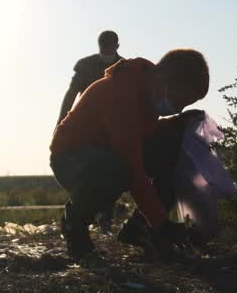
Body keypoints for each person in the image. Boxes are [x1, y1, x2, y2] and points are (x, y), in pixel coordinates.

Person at [49, 49, 210, 258]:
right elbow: (132, 166)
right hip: (72, 159)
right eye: (179, 103)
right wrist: (162, 224)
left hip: (108, 154)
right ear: (163, 80)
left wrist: (181, 124)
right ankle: (75, 226)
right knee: (118, 169)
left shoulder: (147, 93)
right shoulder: (120, 95)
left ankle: (139, 230)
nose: (177, 109)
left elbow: (144, 135)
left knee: (176, 141)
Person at [59, 30, 122, 123]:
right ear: (99, 45)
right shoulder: (85, 65)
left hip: (115, 122)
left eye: (108, 47)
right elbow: (71, 94)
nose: (105, 51)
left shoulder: (125, 67)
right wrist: (61, 121)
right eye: (103, 47)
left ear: (117, 46)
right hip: (87, 120)